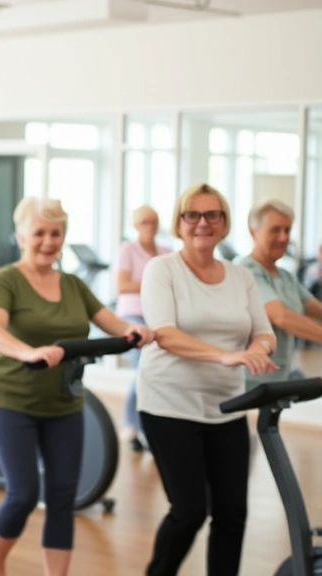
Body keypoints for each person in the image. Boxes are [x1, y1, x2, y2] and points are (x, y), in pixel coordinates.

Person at [0, 197, 152, 576]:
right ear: (21, 236)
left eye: (55, 233)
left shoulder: (73, 285)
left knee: (62, 497)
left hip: (64, 403)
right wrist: (28, 353)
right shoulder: (5, 280)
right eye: (38, 232)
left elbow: (110, 320)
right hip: (11, 400)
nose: (47, 241)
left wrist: (133, 329)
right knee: (23, 495)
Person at [137, 183, 277, 576]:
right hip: (169, 403)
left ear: (224, 223)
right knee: (190, 511)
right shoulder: (161, 269)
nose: (202, 222)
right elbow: (164, 333)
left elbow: (264, 331)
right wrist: (226, 354)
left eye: (212, 214)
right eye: (192, 215)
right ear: (179, 223)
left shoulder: (239, 276)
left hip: (226, 406)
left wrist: (259, 350)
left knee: (232, 512)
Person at [241, 199, 322, 387]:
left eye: (287, 230)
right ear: (253, 232)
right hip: (250, 381)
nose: (284, 237)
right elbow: (281, 317)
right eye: (275, 230)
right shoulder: (246, 272)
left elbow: (314, 308)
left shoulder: (286, 276)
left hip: (279, 377)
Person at [114, 206, 171, 452]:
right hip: (132, 318)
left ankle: (146, 426)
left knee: (156, 373)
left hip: (158, 318)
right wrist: (154, 284)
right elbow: (122, 285)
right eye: (145, 222)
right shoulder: (127, 250)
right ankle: (132, 425)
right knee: (143, 372)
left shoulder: (167, 252)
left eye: (154, 221)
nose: (150, 226)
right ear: (136, 225)